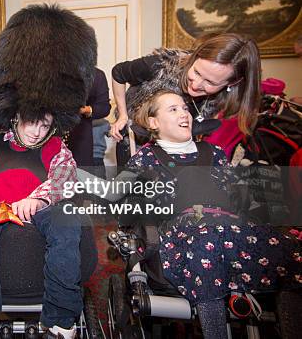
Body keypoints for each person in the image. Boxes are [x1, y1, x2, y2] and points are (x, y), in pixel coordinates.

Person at [0, 3, 98, 339]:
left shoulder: (57, 149)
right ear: (16, 115)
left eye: (45, 124)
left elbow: (64, 181)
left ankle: (61, 319)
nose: (36, 131)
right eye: (31, 122)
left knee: (67, 220)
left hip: (40, 211)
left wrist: (39, 199)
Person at [124, 90, 302, 339]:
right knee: (208, 240)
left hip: (229, 226)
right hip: (182, 234)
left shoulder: (214, 152)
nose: (184, 113)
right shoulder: (146, 158)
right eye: (173, 109)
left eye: (185, 108)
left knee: (291, 249)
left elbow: (236, 197)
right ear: (154, 122)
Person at [110, 33, 262, 143]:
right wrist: (123, 115)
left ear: (231, 84)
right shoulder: (159, 65)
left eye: (211, 83)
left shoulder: (227, 97)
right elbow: (118, 73)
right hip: (133, 137)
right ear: (195, 56)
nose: (195, 85)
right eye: (196, 72)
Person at [68, 67, 110, 167]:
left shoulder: (96, 75)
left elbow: (104, 108)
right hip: (52, 135)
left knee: (84, 176)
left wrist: (84, 109)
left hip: (83, 138)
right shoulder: (52, 71)